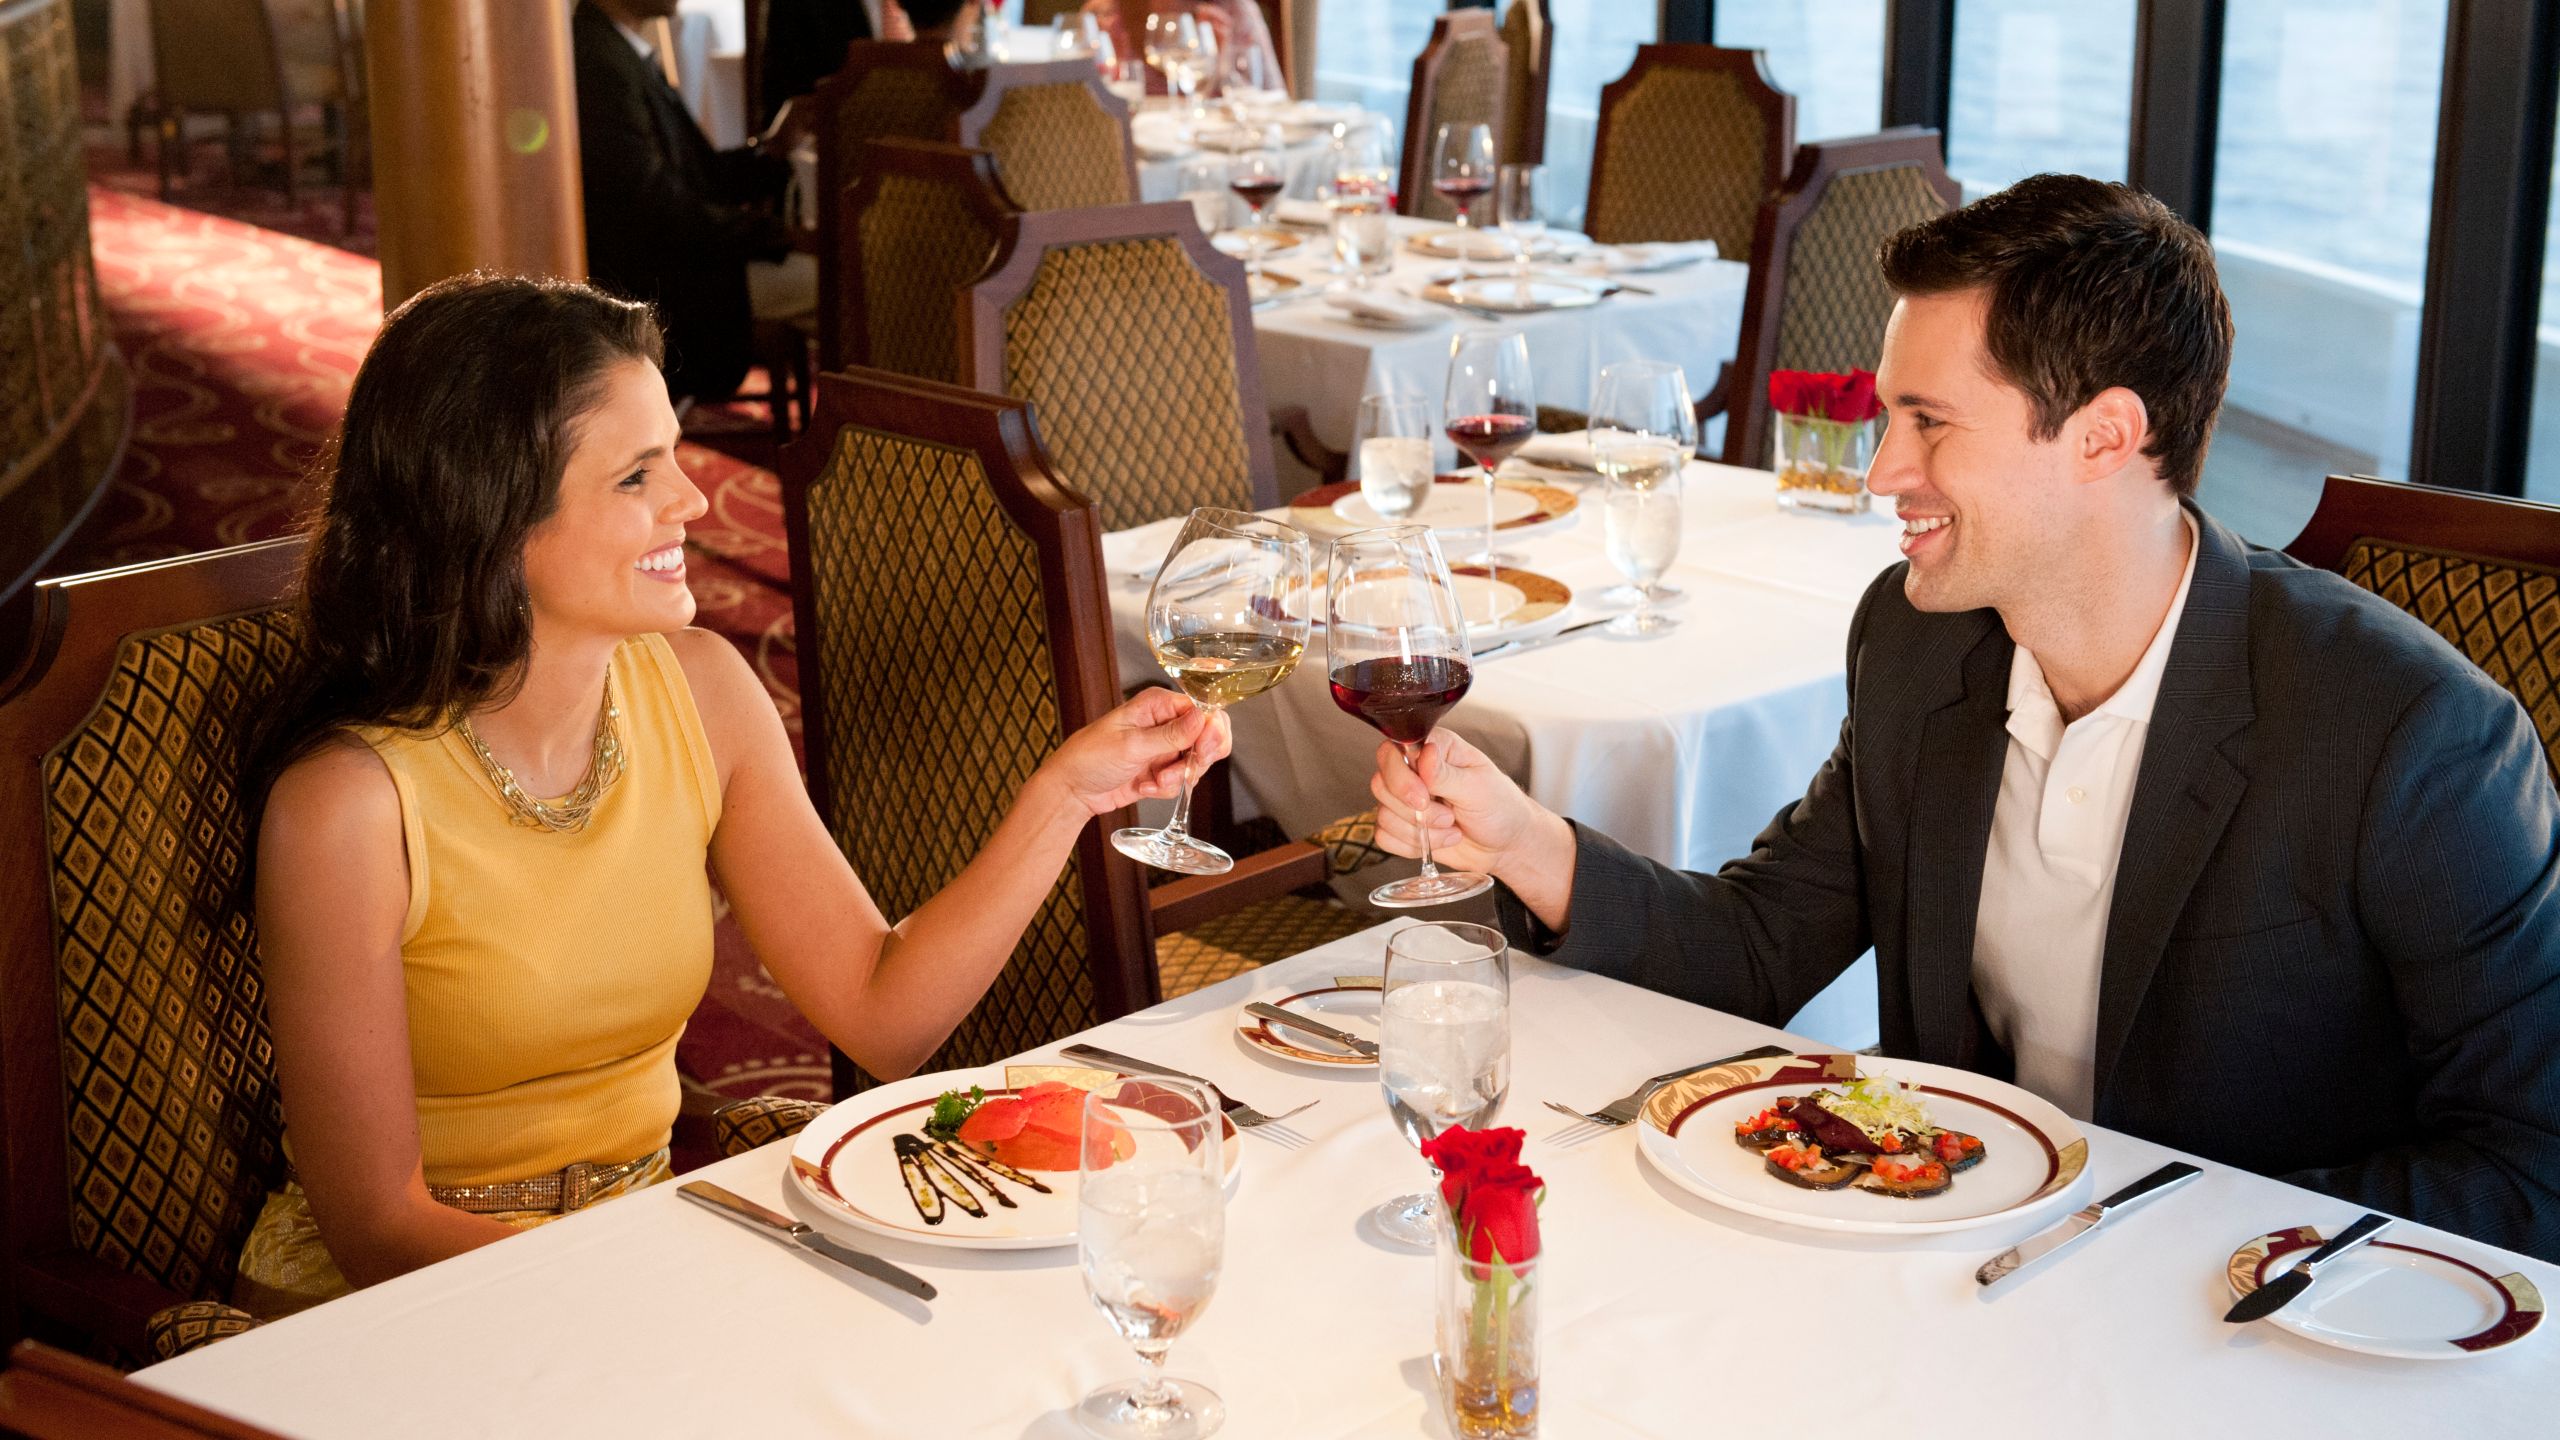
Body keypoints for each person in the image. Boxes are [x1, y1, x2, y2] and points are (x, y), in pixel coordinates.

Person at [1365, 174, 2560, 1263]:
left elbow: (2532, 1167)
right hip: (1959, 1273)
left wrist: (2157, 1245)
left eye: (1929, 422)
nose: (1882, 470)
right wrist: (1523, 840)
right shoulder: (1918, 640)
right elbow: (1763, 943)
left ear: (2103, 437)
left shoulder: (2410, 739)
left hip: (2251, 1326)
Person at [232, 274, 1230, 1314]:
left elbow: (884, 1013)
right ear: (489, 511)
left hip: (632, 1251)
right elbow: (376, 1227)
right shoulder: (348, 807)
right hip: (396, 1312)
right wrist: (646, 1301)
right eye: (636, 476)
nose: (694, 500)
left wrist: (1066, 795)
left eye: (674, 454)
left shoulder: (701, 692)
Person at [570, 0, 798, 405]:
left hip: (686, 259)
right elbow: (656, 209)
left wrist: (772, 152)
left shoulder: (619, 49)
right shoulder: (600, 61)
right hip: (668, 284)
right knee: (848, 280)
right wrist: (776, 235)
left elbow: (702, 175)